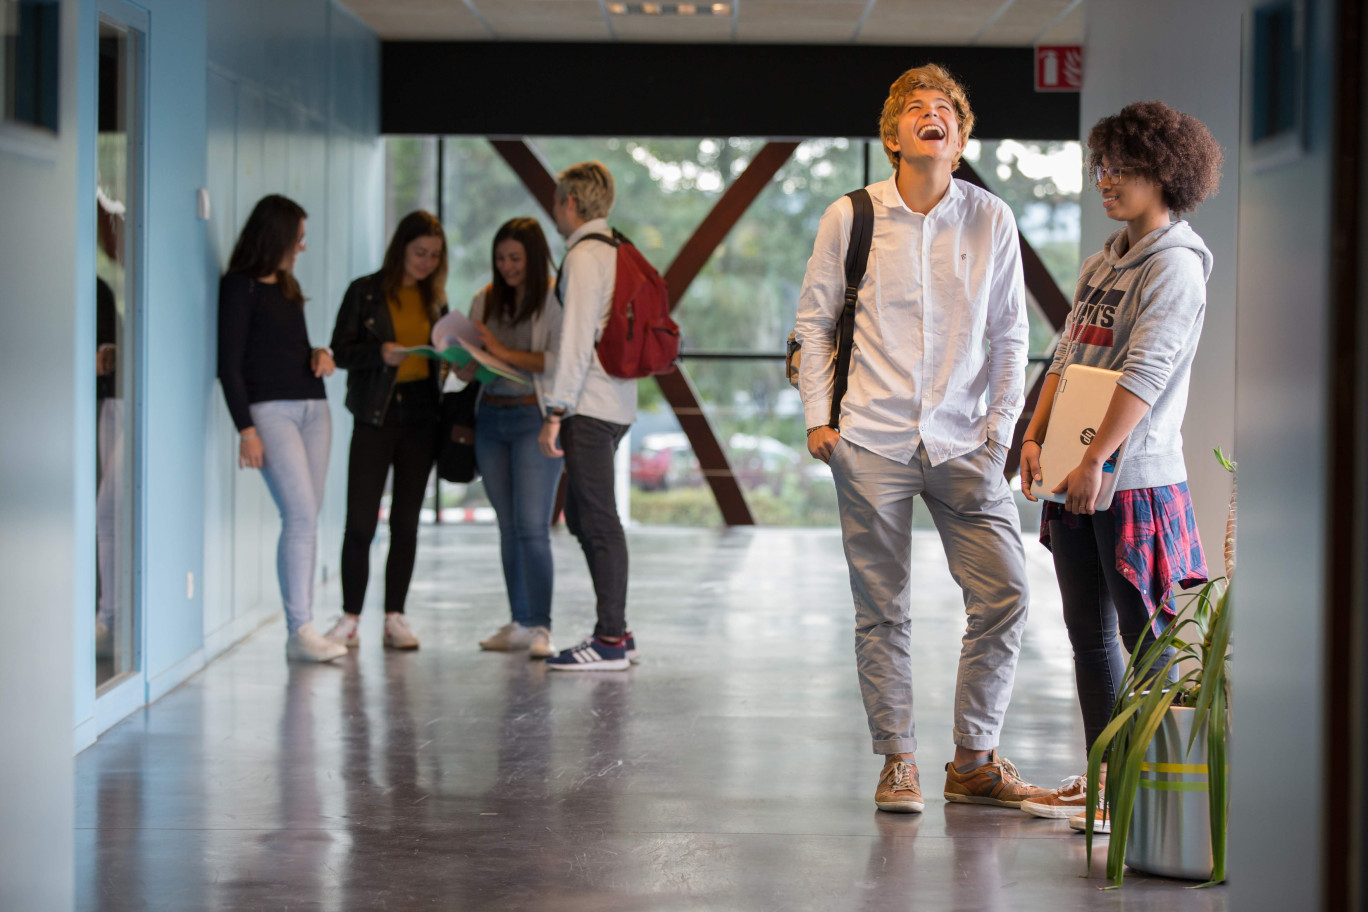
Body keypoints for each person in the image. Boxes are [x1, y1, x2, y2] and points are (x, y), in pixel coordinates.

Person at [795, 64, 1048, 813]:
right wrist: (820, 418)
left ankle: (973, 760)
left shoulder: (991, 219)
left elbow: (1011, 334)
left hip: (968, 441)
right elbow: (815, 320)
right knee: (882, 608)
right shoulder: (850, 216)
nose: (932, 116)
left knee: (1003, 591)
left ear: (962, 137)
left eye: (947, 110)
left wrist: (1000, 432)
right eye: (916, 109)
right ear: (893, 136)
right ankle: (897, 760)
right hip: (870, 439)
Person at [1017, 101, 1221, 832]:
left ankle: (1151, 790)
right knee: (1088, 636)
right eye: (1103, 164)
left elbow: (1149, 370)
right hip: (1075, 475)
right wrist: (1035, 437)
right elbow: (1068, 356)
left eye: (1124, 168)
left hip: (1131, 481)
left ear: (1166, 174)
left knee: (1142, 641)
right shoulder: (1105, 261)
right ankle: (1109, 780)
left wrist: (1099, 457)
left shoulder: (1176, 266)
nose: (1107, 178)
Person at [217, 194, 343, 663]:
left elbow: (289, 347)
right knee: (300, 516)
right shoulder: (238, 287)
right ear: (276, 236)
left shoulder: (287, 286)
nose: (302, 248)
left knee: (307, 517)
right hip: (270, 413)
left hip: (315, 408)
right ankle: (300, 630)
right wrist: (245, 430)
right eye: (298, 239)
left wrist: (319, 354)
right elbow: (229, 366)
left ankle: (303, 627)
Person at [326, 211, 448, 651]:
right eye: (420, 253)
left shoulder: (436, 300)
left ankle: (395, 616)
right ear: (401, 248)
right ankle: (350, 616)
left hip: (422, 417)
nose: (427, 262)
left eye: (435, 255)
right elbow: (340, 351)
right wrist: (380, 353)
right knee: (360, 521)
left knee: (406, 523)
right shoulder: (365, 292)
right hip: (375, 415)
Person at [537, 161, 640, 672]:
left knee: (597, 519)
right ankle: (618, 629)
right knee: (582, 514)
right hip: (617, 401)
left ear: (570, 203)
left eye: (557, 202)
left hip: (588, 407)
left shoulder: (582, 256)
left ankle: (610, 640)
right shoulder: (618, 248)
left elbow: (576, 339)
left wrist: (555, 412)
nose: (555, 211)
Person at [467, 217, 565, 659]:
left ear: (533, 255)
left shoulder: (552, 297)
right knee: (508, 528)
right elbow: (472, 364)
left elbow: (556, 361)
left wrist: (501, 352)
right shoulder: (484, 299)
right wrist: (460, 360)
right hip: (491, 418)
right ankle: (520, 621)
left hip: (532, 418)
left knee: (532, 527)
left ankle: (541, 624)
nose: (506, 267)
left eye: (515, 258)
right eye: (500, 259)